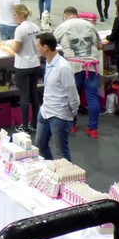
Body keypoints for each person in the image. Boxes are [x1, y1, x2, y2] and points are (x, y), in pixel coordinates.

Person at [54, 8, 104, 139]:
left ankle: (72, 125)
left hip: (73, 67)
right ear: (77, 15)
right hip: (92, 66)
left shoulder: (62, 26)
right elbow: (100, 45)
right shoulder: (89, 25)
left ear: (66, 16)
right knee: (93, 97)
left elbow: (51, 42)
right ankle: (93, 129)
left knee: (71, 97)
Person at [34, 33, 80, 161]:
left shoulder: (63, 67)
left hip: (59, 115)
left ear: (45, 47)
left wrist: (74, 111)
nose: (36, 48)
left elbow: (72, 92)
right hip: (45, 111)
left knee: (62, 154)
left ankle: (67, 179)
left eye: (38, 46)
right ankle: (52, 171)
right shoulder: (49, 63)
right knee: (40, 146)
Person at [10, 5, 41, 133]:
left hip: (23, 65)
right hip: (35, 63)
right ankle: (35, 122)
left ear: (21, 16)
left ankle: (24, 125)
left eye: (15, 16)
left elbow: (16, 49)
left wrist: (11, 44)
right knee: (34, 94)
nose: (14, 18)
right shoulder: (35, 27)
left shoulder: (20, 29)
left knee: (24, 96)